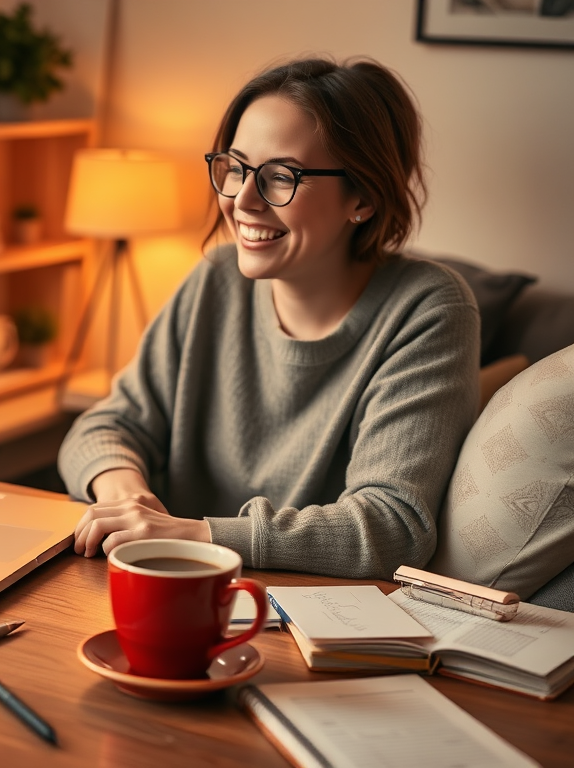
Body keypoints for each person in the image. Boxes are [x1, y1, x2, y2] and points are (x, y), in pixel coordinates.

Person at [57, 57, 481, 580]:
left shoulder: (429, 307)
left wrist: (199, 536)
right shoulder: (216, 278)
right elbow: (104, 427)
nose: (243, 200)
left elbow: (392, 525)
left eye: (282, 176)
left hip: (303, 617)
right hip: (168, 583)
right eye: (234, 168)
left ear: (364, 198)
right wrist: (131, 500)